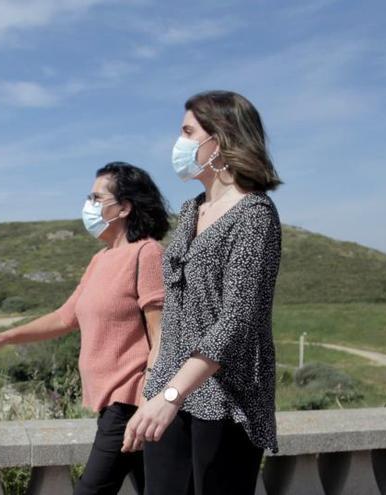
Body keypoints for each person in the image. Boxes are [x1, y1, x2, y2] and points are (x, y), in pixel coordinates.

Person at [0, 162, 170, 494]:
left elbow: (162, 333)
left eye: (96, 197)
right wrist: (6, 336)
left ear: (124, 207)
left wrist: (151, 397)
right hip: (111, 405)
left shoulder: (147, 253)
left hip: (131, 402)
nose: (88, 205)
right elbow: (66, 316)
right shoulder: (101, 259)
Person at [121, 91, 283, 495]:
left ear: (222, 139)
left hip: (223, 399)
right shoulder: (192, 210)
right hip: (171, 392)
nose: (179, 143)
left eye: (188, 131)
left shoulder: (255, 216)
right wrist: (155, 387)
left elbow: (235, 323)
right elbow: (174, 309)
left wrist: (172, 394)